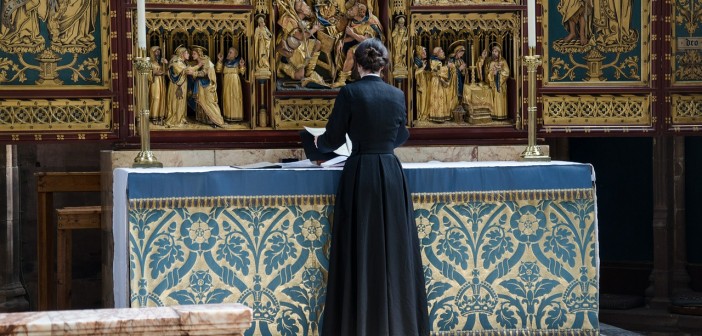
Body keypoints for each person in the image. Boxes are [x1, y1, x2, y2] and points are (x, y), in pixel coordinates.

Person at [317, 38, 429, 336]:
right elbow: (402, 133)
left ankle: (359, 323)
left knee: (360, 242)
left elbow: (333, 138)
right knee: (394, 245)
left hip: (361, 173)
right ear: (383, 64)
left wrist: (316, 142)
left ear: (356, 63)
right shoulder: (396, 94)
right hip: (391, 173)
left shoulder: (350, 93)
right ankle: (398, 323)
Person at [189, 46, 225, 128]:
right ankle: (206, 119)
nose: (192, 55)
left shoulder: (206, 61)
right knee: (202, 103)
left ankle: (218, 120)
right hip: (201, 85)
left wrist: (194, 73)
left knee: (210, 103)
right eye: (192, 54)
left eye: (194, 54)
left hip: (207, 86)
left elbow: (204, 73)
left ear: (199, 54)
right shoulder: (197, 62)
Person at [165, 45, 195, 127]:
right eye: (187, 53)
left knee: (182, 101)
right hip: (176, 86)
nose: (188, 55)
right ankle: (175, 119)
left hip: (182, 85)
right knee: (176, 101)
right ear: (182, 54)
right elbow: (186, 70)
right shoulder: (176, 62)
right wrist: (198, 66)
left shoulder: (182, 62)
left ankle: (181, 117)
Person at [216, 47, 246, 122]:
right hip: (226, 82)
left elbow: (242, 72)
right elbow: (218, 70)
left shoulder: (238, 62)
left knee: (235, 98)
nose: (228, 54)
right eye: (229, 52)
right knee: (227, 98)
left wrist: (242, 65)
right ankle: (227, 116)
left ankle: (236, 116)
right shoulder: (225, 62)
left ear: (235, 55)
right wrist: (220, 60)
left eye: (230, 52)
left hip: (235, 81)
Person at [486, 44, 510, 120]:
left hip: (500, 84)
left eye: (496, 51)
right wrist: (492, 73)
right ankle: (493, 114)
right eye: (493, 51)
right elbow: (487, 72)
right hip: (492, 83)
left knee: (499, 98)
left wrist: (499, 72)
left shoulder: (503, 61)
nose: (494, 53)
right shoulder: (490, 61)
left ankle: (500, 114)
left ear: (499, 53)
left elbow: (507, 73)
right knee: (493, 98)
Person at [148, 46, 167, 125]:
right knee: (156, 97)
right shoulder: (150, 62)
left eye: (159, 51)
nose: (158, 53)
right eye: (156, 51)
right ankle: (154, 116)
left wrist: (166, 64)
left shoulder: (160, 61)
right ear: (152, 53)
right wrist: (154, 72)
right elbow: (148, 74)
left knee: (162, 98)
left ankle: (161, 116)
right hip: (154, 82)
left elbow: (166, 71)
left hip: (161, 81)